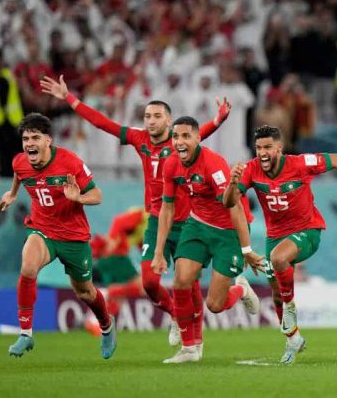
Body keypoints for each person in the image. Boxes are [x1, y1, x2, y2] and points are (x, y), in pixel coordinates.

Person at [39, 75, 229, 347]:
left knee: (189, 284)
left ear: (169, 120)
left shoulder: (179, 143)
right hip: (156, 219)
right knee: (150, 283)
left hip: (187, 222)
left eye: (156, 116)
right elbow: (103, 123)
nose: (150, 120)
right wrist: (70, 98)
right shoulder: (140, 139)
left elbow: (199, 137)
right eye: (147, 116)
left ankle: (194, 342)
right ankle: (177, 317)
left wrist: (218, 121)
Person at [227, 124, 337, 364]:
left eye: (268, 147)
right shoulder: (251, 170)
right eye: (259, 147)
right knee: (275, 293)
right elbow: (228, 202)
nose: (262, 152)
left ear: (279, 148)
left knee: (278, 259)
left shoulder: (301, 163)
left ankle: (291, 307)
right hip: (276, 236)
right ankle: (293, 339)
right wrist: (232, 183)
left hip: (308, 231)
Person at [0, 113, 116, 359]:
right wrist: (12, 194)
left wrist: (78, 198)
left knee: (85, 292)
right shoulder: (20, 161)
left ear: (49, 140)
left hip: (73, 237)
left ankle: (106, 325)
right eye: (26, 138)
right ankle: (26, 333)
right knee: (28, 265)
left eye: (35, 138)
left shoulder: (70, 162)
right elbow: (20, 174)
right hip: (42, 229)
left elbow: (98, 195)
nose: (29, 143)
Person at [153, 116, 264, 364]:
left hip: (229, 231)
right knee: (181, 281)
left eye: (185, 136)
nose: (179, 142)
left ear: (198, 138)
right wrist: (159, 251)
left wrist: (246, 249)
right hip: (198, 225)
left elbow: (233, 207)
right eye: (175, 136)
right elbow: (167, 209)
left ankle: (241, 289)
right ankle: (190, 348)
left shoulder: (213, 164)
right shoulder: (170, 165)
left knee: (215, 304)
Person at [83, 207, 148, 336]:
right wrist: (112, 239)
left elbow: (141, 244)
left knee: (119, 297)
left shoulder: (148, 225)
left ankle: (96, 324)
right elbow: (119, 220)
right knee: (142, 286)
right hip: (116, 256)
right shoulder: (143, 215)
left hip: (109, 258)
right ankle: (106, 292)